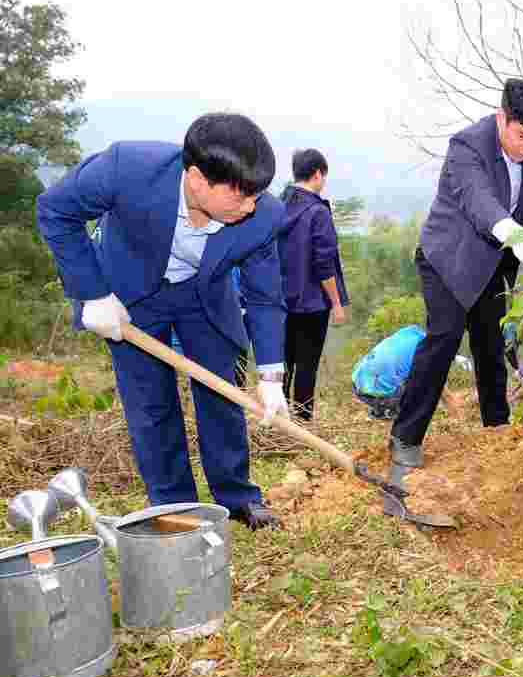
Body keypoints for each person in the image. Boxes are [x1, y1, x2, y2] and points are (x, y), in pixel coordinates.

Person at [36, 113, 290, 530]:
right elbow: (56, 212)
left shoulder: (263, 214)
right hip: (131, 297)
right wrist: (94, 294)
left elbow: (265, 295)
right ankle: (176, 509)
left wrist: (270, 375)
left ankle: (238, 497)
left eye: (256, 195)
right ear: (196, 179)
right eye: (240, 195)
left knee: (222, 394)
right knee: (151, 406)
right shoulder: (126, 169)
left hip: (203, 297)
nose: (250, 207)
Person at [388, 79, 523, 470]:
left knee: (491, 343)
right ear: (503, 118)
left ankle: (497, 427)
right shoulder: (467, 145)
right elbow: (477, 199)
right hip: (449, 258)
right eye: (521, 136)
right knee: (444, 339)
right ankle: (405, 437)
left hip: (497, 260)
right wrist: (513, 234)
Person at [278, 149, 350, 421]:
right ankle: (303, 423)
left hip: (281, 300)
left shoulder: (277, 205)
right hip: (311, 303)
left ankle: (280, 424)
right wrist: (336, 303)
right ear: (317, 173)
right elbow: (324, 263)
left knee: (283, 362)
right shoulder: (317, 211)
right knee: (307, 365)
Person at [352, 325, 426, 420]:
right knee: (422, 380)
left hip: (357, 385)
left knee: (392, 371)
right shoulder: (426, 349)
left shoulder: (408, 333)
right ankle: (392, 410)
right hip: (384, 396)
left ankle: (379, 409)